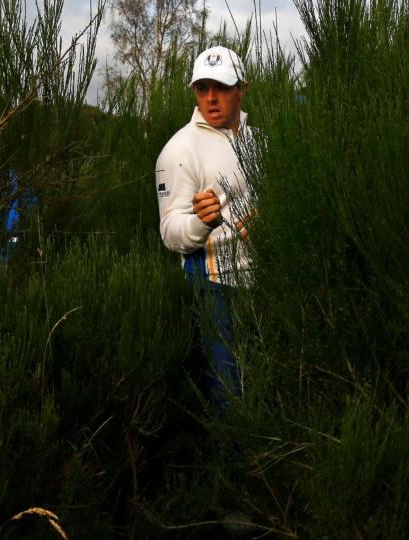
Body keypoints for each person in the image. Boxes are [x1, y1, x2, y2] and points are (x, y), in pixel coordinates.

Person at [155, 46, 257, 411]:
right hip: (213, 287)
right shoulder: (180, 149)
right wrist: (201, 222)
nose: (211, 98)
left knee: (264, 383)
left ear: (241, 88)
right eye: (202, 88)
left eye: (221, 86)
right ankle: (227, 466)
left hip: (262, 280)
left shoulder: (259, 139)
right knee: (227, 396)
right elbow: (170, 232)